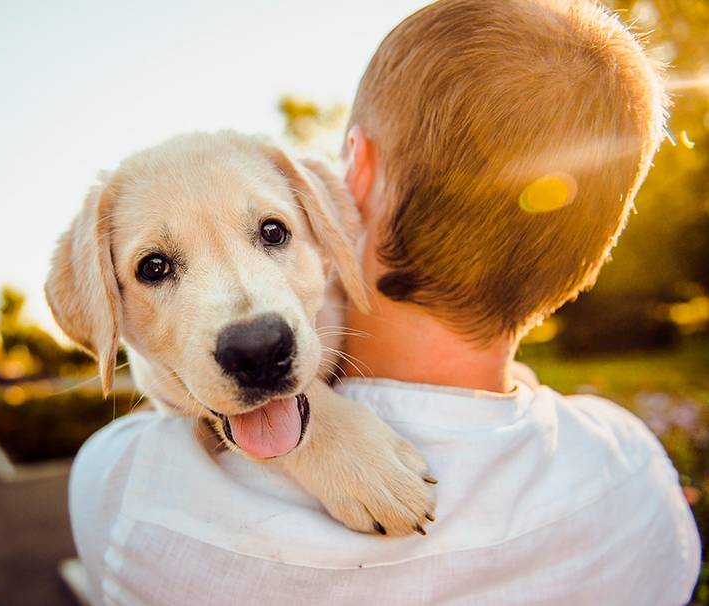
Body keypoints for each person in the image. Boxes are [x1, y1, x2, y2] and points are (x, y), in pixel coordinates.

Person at [69, 0, 701, 603]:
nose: (249, 322)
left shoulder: (126, 490)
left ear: (355, 176)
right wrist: (319, 431)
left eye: (271, 233)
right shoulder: (634, 473)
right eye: (157, 267)